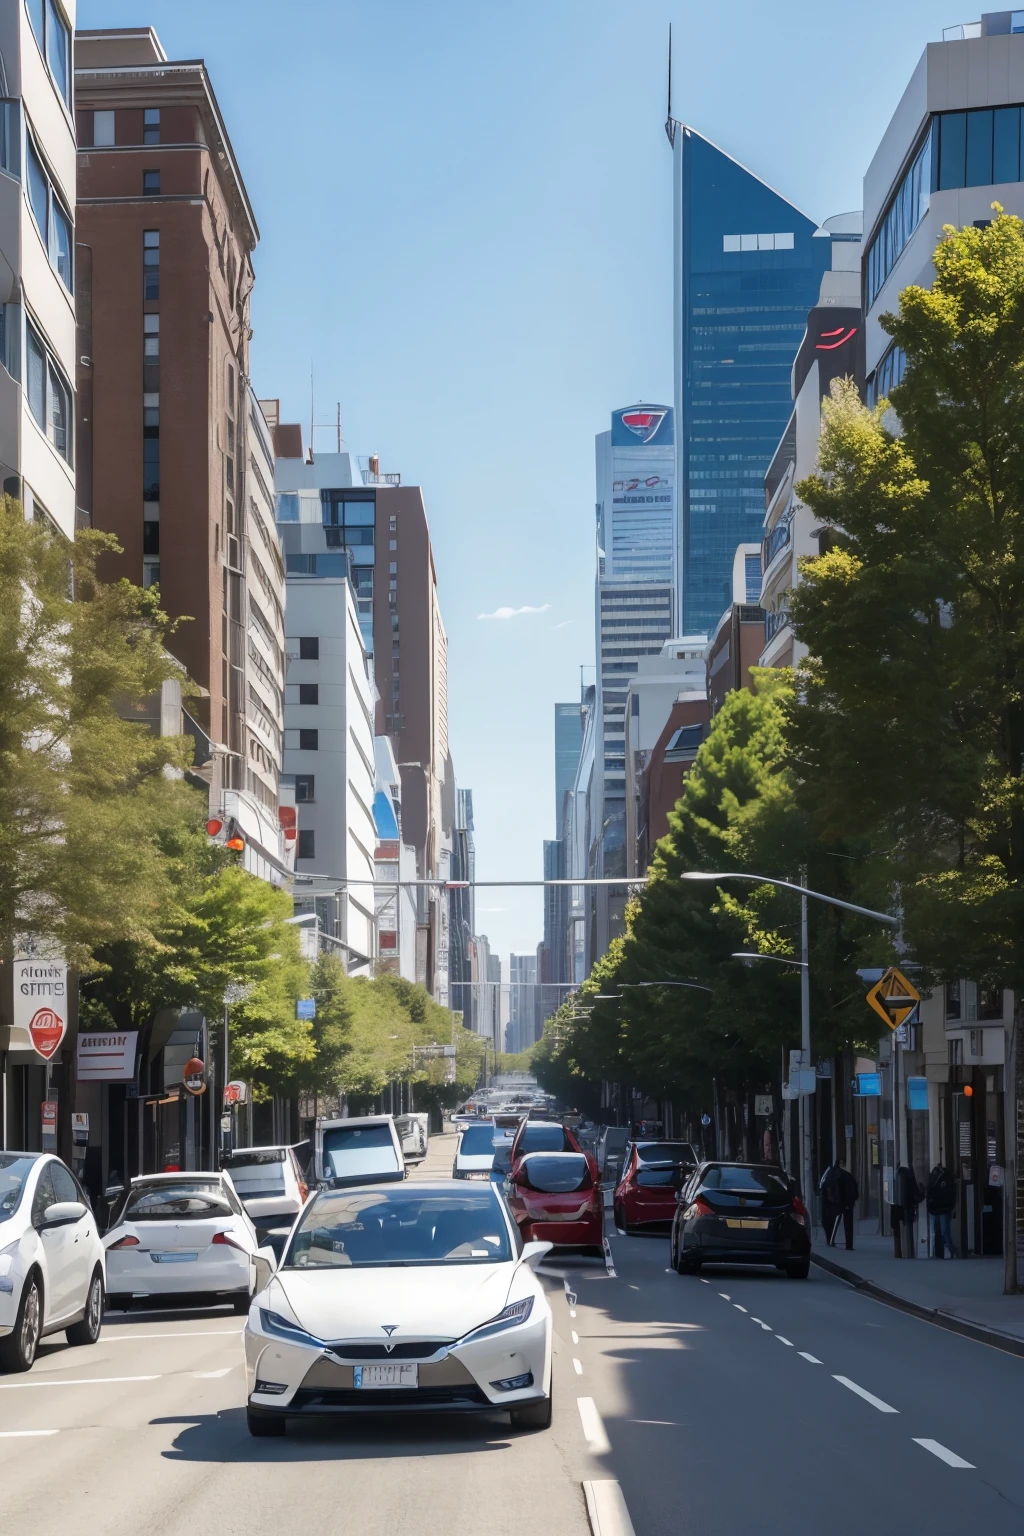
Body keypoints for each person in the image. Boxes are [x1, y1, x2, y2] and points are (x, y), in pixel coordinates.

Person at [825, 1157, 859, 1250]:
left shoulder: (832, 1174)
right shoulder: (847, 1175)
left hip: (837, 1202)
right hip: (846, 1202)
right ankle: (848, 1245)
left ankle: (831, 1240)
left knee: (833, 1221)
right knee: (848, 1224)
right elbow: (853, 1189)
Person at [926, 1162, 957, 1258]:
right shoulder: (946, 1178)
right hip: (941, 1208)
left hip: (938, 1208)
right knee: (942, 1232)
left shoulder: (941, 1178)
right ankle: (946, 1252)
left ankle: (950, 1251)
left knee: (942, 1232)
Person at [819, 1161, 840, 1245]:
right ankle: (830, 1239)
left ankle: (829, 1239)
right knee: (830, 1222)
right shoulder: (831, 1176)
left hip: (827, 1204)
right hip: (830, 1204)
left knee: (828, 1222)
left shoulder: (828, 1176)